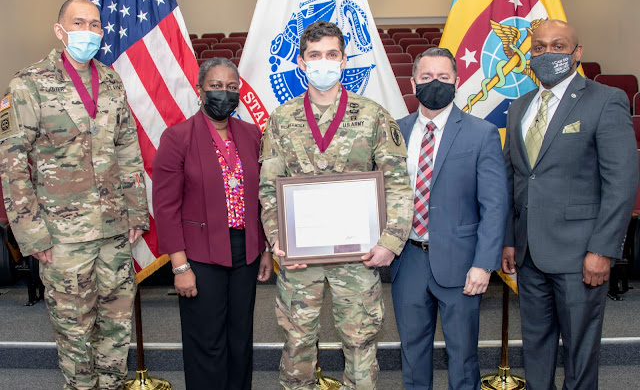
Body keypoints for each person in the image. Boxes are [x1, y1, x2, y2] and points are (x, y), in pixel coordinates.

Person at [0, 0, 149, 389]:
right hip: (63, 237)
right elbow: (13, 165)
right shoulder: (28, 83)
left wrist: (136, 212)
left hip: (115, 231)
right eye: (78, 23)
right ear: (60, 30)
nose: (88, 32)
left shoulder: (112, 79)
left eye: (95, 24)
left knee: (116, 329)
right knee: (75, 333)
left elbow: (128, 149)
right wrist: (32, 235)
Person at [259, 20, 412, 389]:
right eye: (314, 55)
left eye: (331, 54)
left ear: (344, 60)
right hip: (300, 255)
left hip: (358, 255)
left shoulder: (373, 115)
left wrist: (391, 242)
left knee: (360, 345)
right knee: (297, 343)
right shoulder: (281, 119)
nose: (323, 62)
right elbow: (268, 188)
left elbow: (398, 184)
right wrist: (278, 239)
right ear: (301, 62)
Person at [502, 19, 638, 389]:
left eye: (558, 46)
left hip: (581, 255)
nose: (548, 54)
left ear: (577, 53)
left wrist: (603, 249)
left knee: (580, 352)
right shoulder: (519, 107)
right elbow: (514, 179)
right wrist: (509, 239)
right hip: (529, 254)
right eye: (539, 47)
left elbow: (620, 184)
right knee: (536, 347)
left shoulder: (605, 100)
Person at [152, 57, 273, 390]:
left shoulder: (251, 134)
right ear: (200, 89)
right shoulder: (177, 137)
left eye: (232, 88)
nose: (225, 94)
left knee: (240, 339)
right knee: (207, 343)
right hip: (199, 258)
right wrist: (179, 266)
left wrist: (263, 249)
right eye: (216, 87)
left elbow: (261, 196)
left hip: (245, 252)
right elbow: (165, 207)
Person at [392, 48, 508, 389]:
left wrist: (484, 264)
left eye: (443, 77)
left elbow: (495, 205)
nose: (435, 83)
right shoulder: (395, 133)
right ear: (412, 82)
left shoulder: (481, 133)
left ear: (456, 82)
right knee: (412, 354)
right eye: (426, 77)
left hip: (462, 264)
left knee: (463, 356)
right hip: (408, 259)